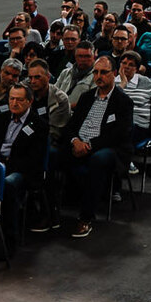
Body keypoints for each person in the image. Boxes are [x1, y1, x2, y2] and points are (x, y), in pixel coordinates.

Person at [57, 56, 135, 239]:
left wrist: (90, 146)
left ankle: (85, 218)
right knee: (52, 154)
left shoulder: (123, 101)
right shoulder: (86, 98)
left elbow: (120, 134)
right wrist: (75, 141)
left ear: (114, 74)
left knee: (98, 161)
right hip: (81, 143)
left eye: (103, 72)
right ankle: (50, 211)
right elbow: (71, 126)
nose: (98, 76)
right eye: (96, 72)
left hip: (110, 148)